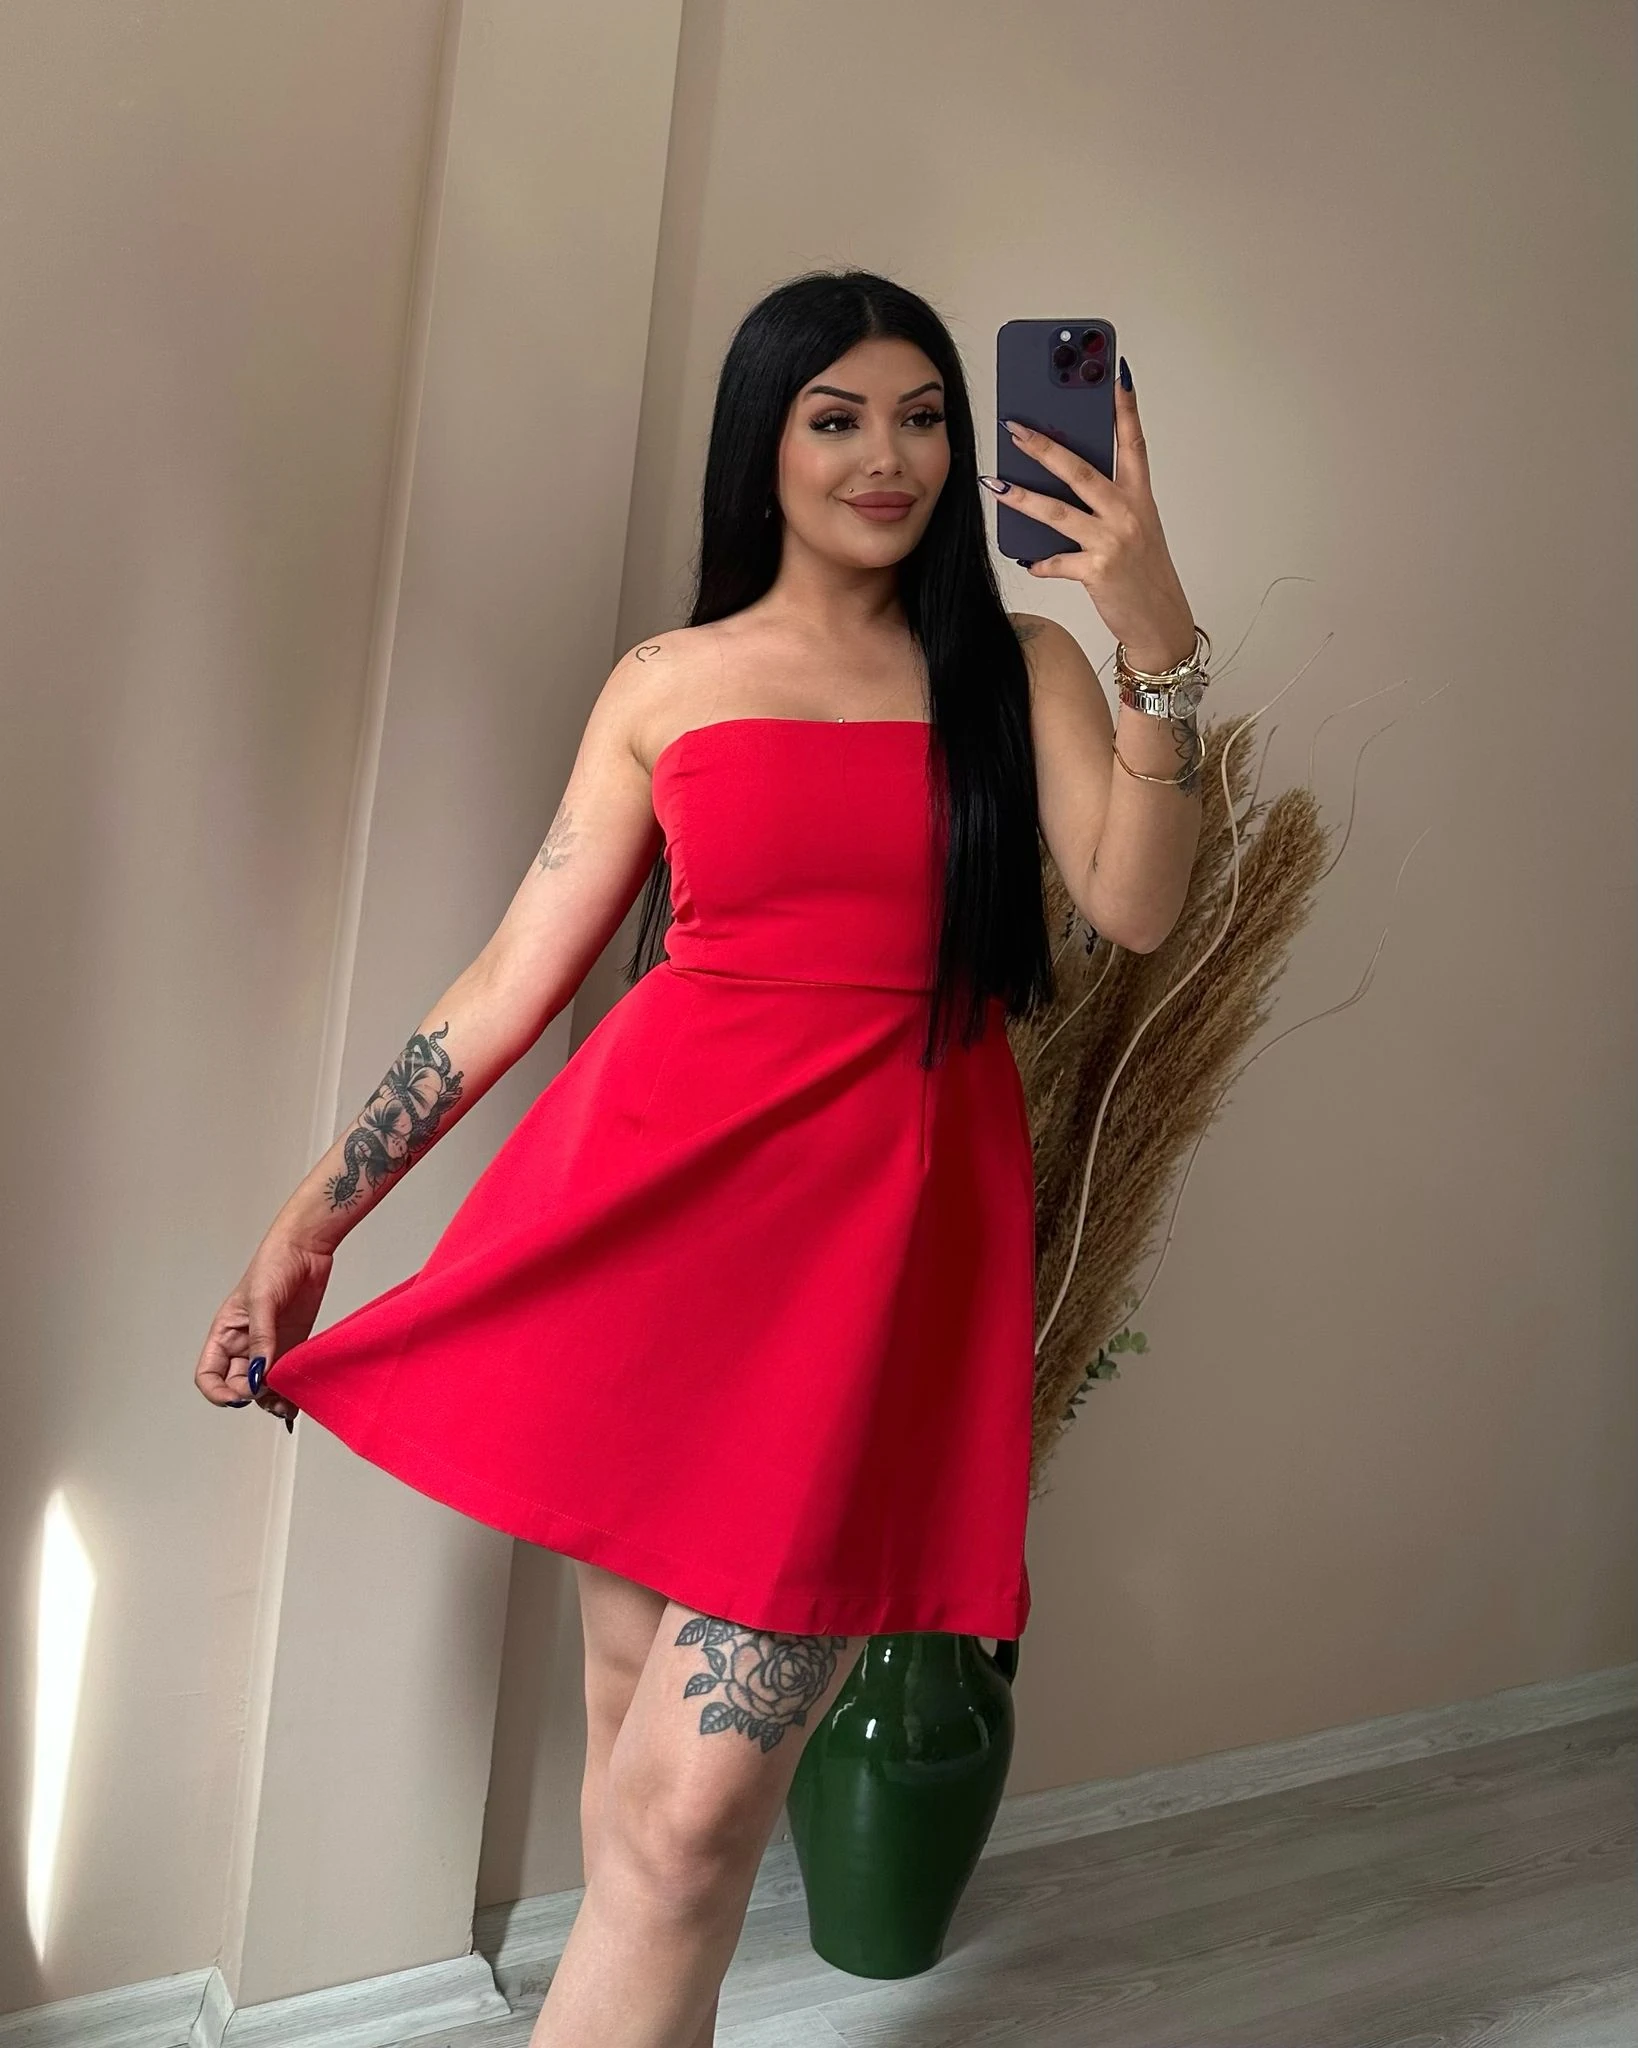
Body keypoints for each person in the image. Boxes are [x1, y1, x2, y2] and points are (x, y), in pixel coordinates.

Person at [192, 267, 1204, 2047]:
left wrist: (1154, 631)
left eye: (922, 417)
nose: (886, 457)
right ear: (763, 447)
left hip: (868, 1272)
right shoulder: (667, 682)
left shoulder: (1019, 669)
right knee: (629, 1768)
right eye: (837, 418)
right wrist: (311, 1217)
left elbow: (1133, 904)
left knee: (683, 1824)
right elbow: (513, 978)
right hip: (650, 1232)